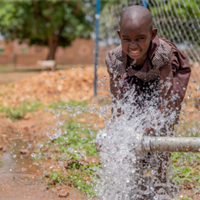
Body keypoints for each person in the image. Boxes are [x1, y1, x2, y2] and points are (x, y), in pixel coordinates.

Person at [105, 5, 191, 200]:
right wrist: (119, 125)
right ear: (119, 35)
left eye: (140, 38)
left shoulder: (162, 53)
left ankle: (161, 184)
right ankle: (137, 180)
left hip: (169, 76)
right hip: (139, 77)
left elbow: (166, 99)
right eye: (127, 39)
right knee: (131, 118)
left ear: (152, 34)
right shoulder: (115, 58)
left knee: (163, 123)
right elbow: (118, 101)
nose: (133, 45)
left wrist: (153, 124)